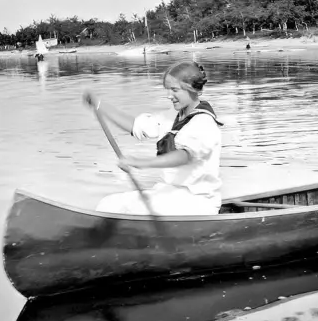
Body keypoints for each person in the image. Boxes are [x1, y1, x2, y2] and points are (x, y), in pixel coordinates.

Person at [83, 60, 223, 216]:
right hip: (168, 192)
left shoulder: (204, 122)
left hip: (197, 201)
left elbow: (183, 156)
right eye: (168, 90)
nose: (169, 96)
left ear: (193, 90)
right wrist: (99, 105)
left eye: (175, 90)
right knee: (108, 204)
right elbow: (134, 125)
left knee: (135, 210)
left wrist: (140, 163)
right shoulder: (172, 115)